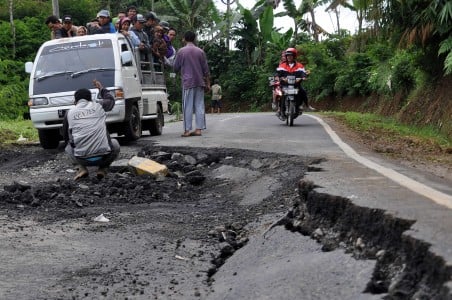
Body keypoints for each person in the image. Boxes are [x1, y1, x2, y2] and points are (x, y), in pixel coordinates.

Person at [63, 80, 119, 180]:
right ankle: (103, 169)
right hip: (104, 157)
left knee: (67, 146)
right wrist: (101, 88)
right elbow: (111, 100)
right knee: (115, 143)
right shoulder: (98, 106)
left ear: (75, 101)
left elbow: (66, 136)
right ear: (90, 99)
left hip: (82, 159)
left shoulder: (69, 113)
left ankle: (81, 169)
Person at [173, 31, 210, 137]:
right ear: (194, 39)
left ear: (184, 38)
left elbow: (175, 67)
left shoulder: (181, 51)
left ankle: (187, 130)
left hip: (188, 82)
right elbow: (206, 69)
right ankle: (198, 129)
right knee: (199, 105)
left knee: (187, 106)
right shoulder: (200, 51)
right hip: (200, 81)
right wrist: (208, 83)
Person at [276, 47, 314, 120]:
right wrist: (277, 77)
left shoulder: (299, 65)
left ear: (294, 56)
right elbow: (277, 73)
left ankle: (306, 105)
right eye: (287, 56)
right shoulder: (282, 65)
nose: (289, 57)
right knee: (280, 94)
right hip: (285, 85)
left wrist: (304, 77)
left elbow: (303, 73)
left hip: (296, 85)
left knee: (303, 92)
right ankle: (280, 110)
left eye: (290, 55)